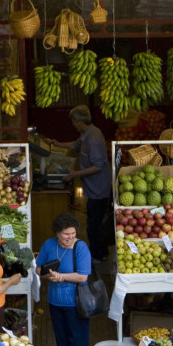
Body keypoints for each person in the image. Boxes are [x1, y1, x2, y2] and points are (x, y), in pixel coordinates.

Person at [35, 213, 92, 346]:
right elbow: (38, 268)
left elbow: (82, 276)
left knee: (78, 342)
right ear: (57, 233)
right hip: (55, 302)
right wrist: (48, 275)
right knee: (62, 340)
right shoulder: (48, 245)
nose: (70, 237)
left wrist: (61, 277)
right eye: (66, 234)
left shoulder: (81, 248)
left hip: (76, 304)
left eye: (73, 233)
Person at [47, 105, 112, 262]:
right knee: (94, 222)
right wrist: (57, 143)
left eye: (74, 122)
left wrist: (74, 175)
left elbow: (98, 166)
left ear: (80, 121)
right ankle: (98, 251)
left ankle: (98, 255)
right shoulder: (88, 133)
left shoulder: (94, 139)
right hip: (93, 189)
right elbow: (75, 146)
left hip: (99, 190)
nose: (73, 125)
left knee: (94, 225)